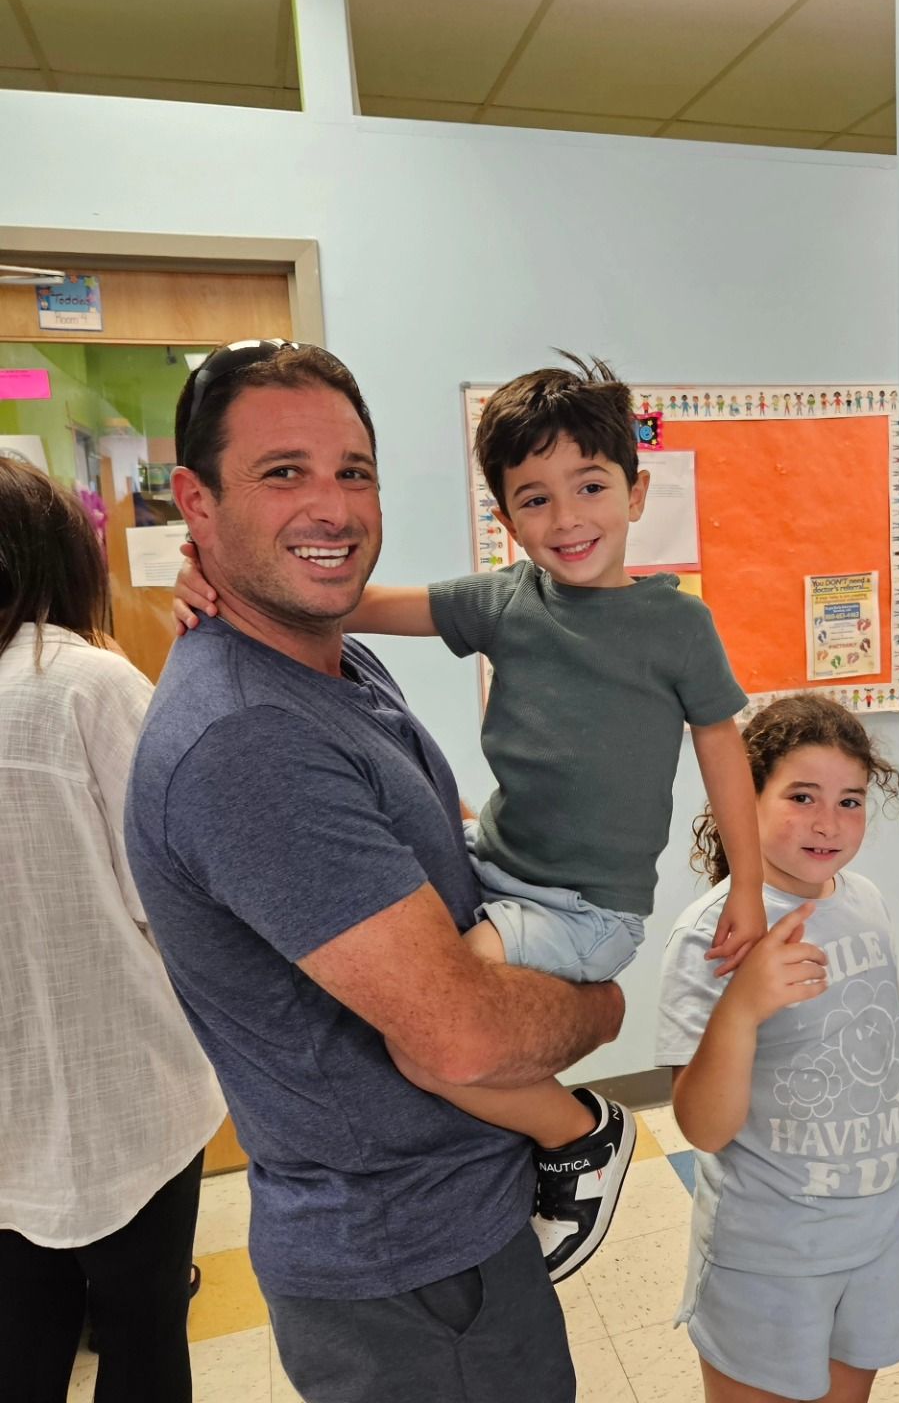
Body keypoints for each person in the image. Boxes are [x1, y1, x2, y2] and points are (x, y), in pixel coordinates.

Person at [172, 351, 768, 1281]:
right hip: (495, 860)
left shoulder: (677, 628)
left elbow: (723, 750)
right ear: (505, 517)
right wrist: (206, 575)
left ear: (637, 492)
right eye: (534, 499)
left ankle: (583, 1135)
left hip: (585, 910)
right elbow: (342, 599)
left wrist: (749, 884)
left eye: (591, 485)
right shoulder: (503, 603)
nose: (567, 518)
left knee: (428, 1044)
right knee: (425, 984)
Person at [127, 340, 624, 1403]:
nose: (332, 506)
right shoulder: (248, 739)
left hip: (451, 1234)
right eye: (280, 472)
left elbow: (422, 848)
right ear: (194, 502)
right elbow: (464, 1036)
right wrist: (605, 1005)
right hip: (411, 1278)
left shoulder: (329, 658)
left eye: (353, 471)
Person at [0, 458, 226, 1403]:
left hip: (9, 1109)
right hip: (126, 1089)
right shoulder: (82, 684)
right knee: (142, 1342)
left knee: (20, 1348)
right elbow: (171, 891)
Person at [656, 696, 899, 1403]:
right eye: (801, 796)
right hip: (771, 1255)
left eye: (850, 800)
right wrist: (742, 1007)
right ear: (745, 798)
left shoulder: (863, 898)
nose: (828, 823)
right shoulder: (714, 932)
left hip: (876, 1234)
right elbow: (703, 1127)